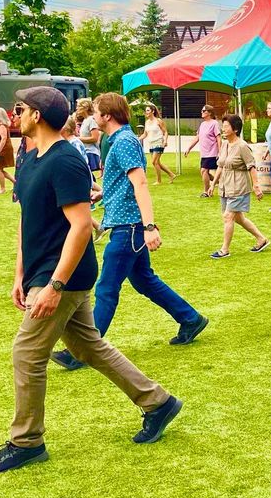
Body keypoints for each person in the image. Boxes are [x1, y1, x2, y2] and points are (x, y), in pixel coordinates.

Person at [0, 87, 184, 474]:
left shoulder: (66, 160)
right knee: (88, 346)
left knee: (26, 353)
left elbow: (81, 226)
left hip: (63, 274)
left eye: (20, 109)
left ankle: (27, 441)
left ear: (36, 115)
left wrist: (54, 285)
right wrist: (20, 272)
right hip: (40, 270)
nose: (15, 114)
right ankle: (158, 402)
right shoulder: (29, 157)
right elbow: (27, 220)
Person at [49, 92, 210, 373]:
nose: (92, 116)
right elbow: (126, 183)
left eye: (96, 111)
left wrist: (149, 226)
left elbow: (141, 184)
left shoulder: (122, 141)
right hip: (126, 224)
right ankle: (190, 318)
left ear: (106, 115)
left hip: (129, 229)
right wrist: (102, 195)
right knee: (145, 281)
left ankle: (83, 352)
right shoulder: (120, 139)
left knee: (107, 289)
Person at [207, 113, 270, 258]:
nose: (223, 128)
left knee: (228, 217)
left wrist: (256, 186)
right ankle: (261, 239)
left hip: (239, 186)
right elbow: (221, 166)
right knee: (238, 218)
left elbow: (251, 166)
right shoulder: (224, 144)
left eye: (226, 126)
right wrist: (213, 184)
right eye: (223, 126)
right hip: (225, 186)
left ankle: (224, 250)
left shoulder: (242, 146)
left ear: (235, 129)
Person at [186, 104, 221, 197]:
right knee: (206, 172)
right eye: (202, 111)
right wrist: (189, 148)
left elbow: (218, 138)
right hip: (204, 153)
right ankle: (218, 183)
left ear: (209, 113)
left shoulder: (214, 123)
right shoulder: (202, 124)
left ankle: (206, 192)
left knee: (203, 171)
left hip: (212, 152)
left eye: (203, 111)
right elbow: (197, 137)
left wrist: (220, 151)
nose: (201, 112)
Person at [142, 104, 176, 184]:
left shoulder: (158, 121)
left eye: (148, 110)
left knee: (154, 162)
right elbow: (145, 134)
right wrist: (137, 139)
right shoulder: (147, 122)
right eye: (146, 110)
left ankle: (158, 181)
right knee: (157, 162)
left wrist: (165, 141)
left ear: (152, 111)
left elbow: (165, 132)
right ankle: (171, 174)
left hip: (159, 142)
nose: (146, 112)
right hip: (151, 144)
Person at [0, 107, 16, 193]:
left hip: (3, 150)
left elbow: (4, 138)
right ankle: (16, 183)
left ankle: (2, 189)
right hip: (1, 150)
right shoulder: (0, 125)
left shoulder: (2, 126)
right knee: (0, 169)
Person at [76, 98, 103, 174]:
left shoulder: (91, 120)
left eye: (78, 106)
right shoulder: (85, 120)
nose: (76, 108)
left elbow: (95, 138)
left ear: (85, 108)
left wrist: (78, 139)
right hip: (86, 152)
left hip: (91, 153)